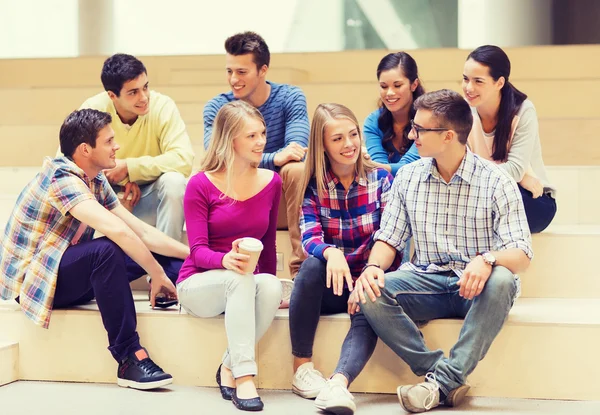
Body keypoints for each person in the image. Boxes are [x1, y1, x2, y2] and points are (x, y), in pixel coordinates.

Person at [356, 90, 533, 413]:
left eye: (420, 130)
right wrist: (372, 268)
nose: (412, 135)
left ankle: (438, 383)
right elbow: (389, 239)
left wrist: (487, 259)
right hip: (427, 281)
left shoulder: (497, 182)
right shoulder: (408, 177)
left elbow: (521, 254)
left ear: (449, 136)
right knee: (371, 290)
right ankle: (443, 377)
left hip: (478, 288)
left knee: (503, 280)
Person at [0, 109, 189, 390]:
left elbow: (142, 232)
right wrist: (156, 273)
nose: (117, 147)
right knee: (107, 250)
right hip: (38, 283)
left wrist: (201, 257)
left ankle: (191, 285)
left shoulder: (95, 179)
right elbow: (117, 231)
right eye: (110, 141)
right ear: (86, 149)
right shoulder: (61, 179)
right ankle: (128, 357)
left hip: (63, 270)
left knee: (153, 251)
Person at [289, 103, 400, 415]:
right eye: (337, 139)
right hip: (334, 283)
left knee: (372, 297)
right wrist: (331, 252)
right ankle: (302, 368)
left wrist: (366, 275)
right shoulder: (313, 185)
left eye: (353, 134)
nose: (349, 144)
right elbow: (309, 236)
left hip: (371, 280)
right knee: (311, 267)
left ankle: (339, 385)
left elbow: (392, 236)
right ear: (322, 144)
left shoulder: (381, 179)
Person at [177, 101, 283, 411]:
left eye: (262, 133)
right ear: (230, 139)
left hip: (243, 281)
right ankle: (245, 375)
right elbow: (196, 252)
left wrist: (270, 284)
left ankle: (228, 366)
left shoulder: (272, 181)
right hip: (198, 283)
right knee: (240, 280)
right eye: (251, 136)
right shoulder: (200, 184)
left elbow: (268, 243)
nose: (261, 141)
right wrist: (224, 261)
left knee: (272, 287)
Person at [203, 31, 310, 278]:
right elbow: (218, 157)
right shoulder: (217, 107)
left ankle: (300, 272)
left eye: (242, 72)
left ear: (263, 70)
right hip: (231, 195)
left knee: (296, 169)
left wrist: (265, 160)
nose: (233, 79)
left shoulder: (290, 98)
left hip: (275, 198)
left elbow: (296, 152)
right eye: (229, 71)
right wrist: (273, 158)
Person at [79, 53, 194, 241]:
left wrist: (130, 168)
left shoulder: (163, 106)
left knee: (174, 182)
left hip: (147, 198)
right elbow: (69, 167)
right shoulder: (93, 109)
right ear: (112, 95)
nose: (144, 97)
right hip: (105, 201)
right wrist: (114, 186)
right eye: (133, 92)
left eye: (146, 87)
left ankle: (168, 264)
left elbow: (184, 159)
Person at [463, 45, 556, 233]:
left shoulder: (523, 110)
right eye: (466, 79)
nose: (469, 88)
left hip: (531, 199)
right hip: (483, 196)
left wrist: (517, 176)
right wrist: (520, 177)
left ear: (499, 83)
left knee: (486, 202)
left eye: (478, 81)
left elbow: (514, 169)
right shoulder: (462, 113)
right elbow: (460, 168)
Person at [363, 52, 424, 177]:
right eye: (383, 86)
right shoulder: (373, 122)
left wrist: (366, 164)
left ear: (414, 85)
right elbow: (379, 172)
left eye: (397, 85)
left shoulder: (429, 119)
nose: (389, 93)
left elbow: (411, 167)